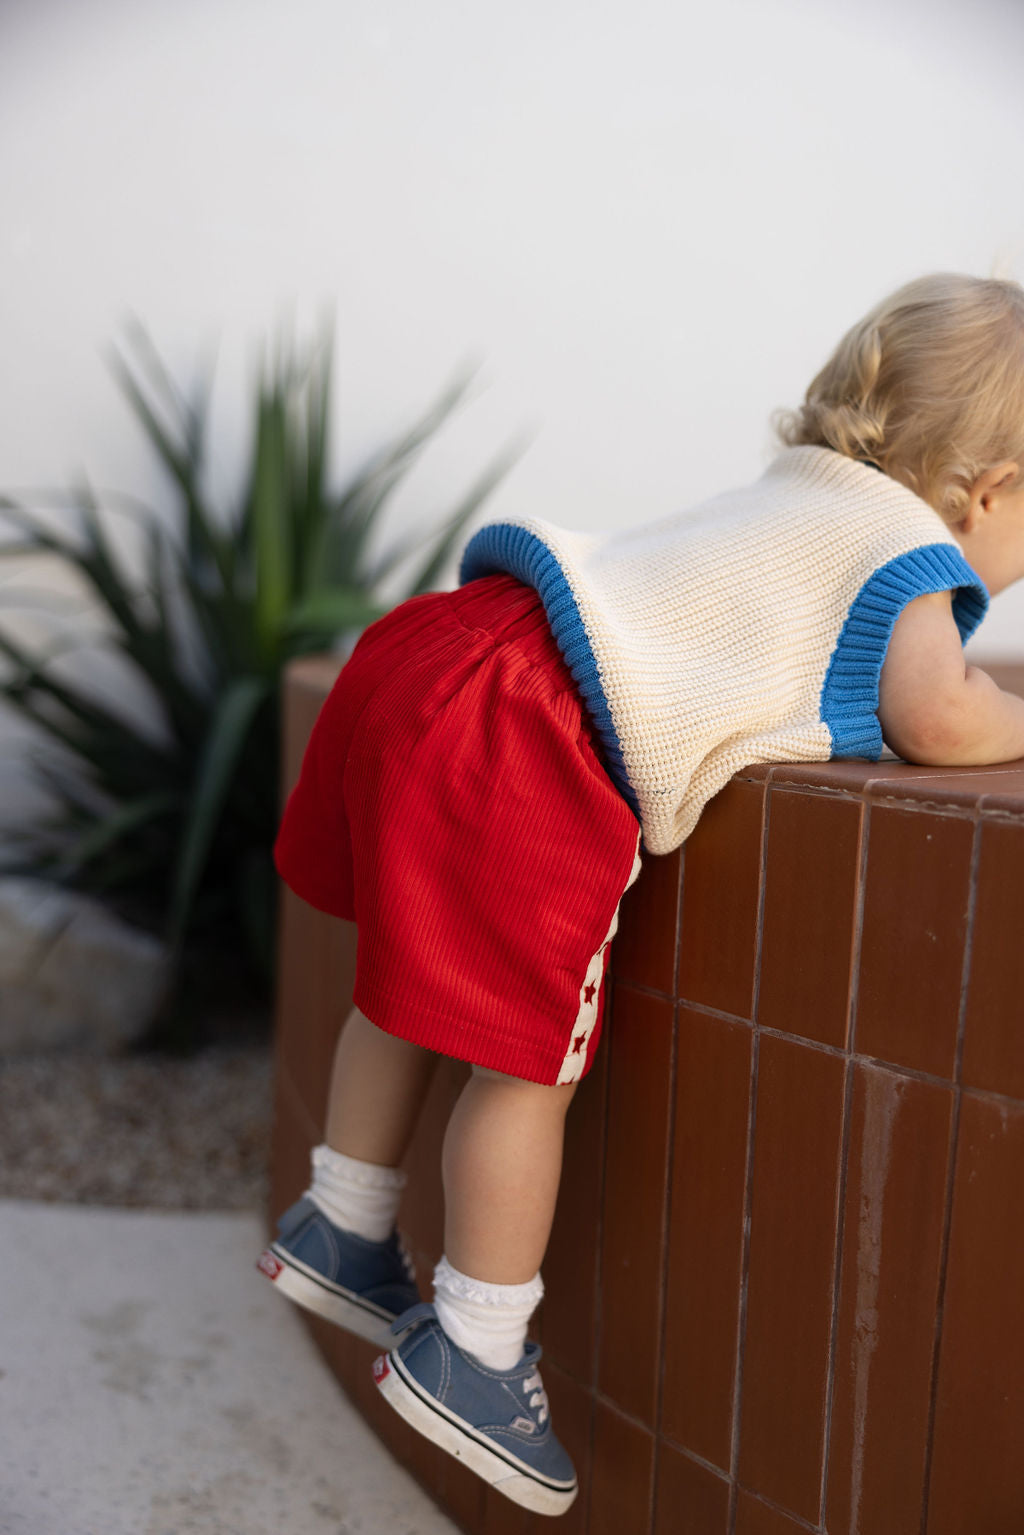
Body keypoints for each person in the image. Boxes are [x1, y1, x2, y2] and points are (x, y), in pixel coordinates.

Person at [256, 272, 1024, 1517]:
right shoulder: (906, 552)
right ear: (988, 487)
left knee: (411, 982)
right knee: (526, 1059)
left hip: (444, 647)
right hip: (527, 730)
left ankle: (341, 1218)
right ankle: (475, 1344)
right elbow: (939, 714)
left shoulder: (794, 493)